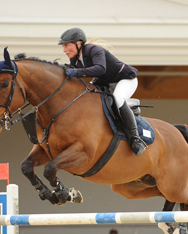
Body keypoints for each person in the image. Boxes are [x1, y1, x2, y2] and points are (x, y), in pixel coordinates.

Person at [58, 27, 147, 156]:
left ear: (78, 44)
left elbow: (100, 69)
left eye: (67, 45)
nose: (64, 50)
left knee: (118, 99)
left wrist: (76, 72)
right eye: (63, 46)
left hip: (125, 79)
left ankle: (135, 139)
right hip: (105, 81)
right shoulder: (76, 58)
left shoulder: (94, 50)